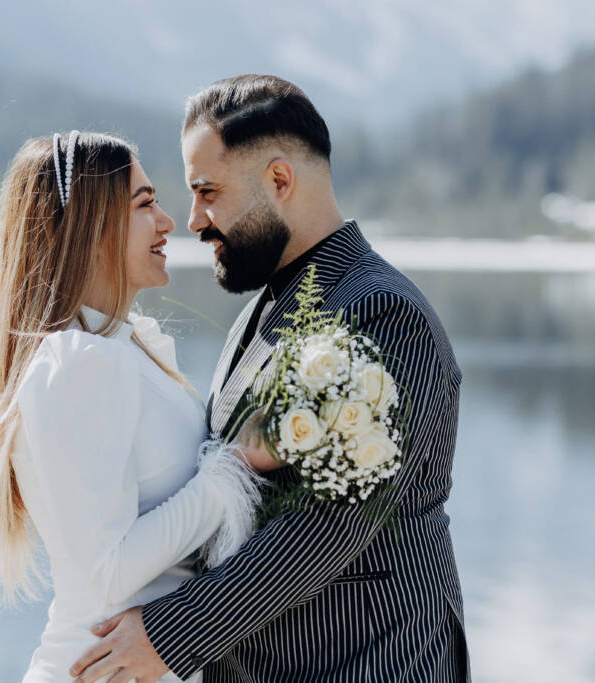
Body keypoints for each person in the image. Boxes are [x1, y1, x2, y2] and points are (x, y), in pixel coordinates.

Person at [70, 75, 470, 682]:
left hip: (368, 662)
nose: (194, 219)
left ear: (279, 181)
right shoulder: (266, 309)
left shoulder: (385, 315)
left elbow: (330, 523)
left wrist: (168, 635)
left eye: (208, 191)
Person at [0, 130, 266, 682]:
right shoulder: (81, 362)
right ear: (91, 228)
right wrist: (233, 469)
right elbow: (110, 573)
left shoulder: (116, 348)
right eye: (144, 204)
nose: (167, 222)